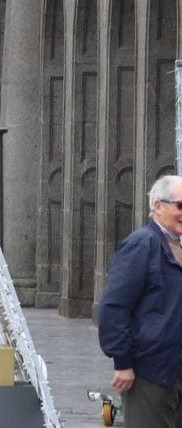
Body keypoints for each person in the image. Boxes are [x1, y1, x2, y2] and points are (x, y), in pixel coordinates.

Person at [99, 175, 182, 427]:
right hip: (150, 372)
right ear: (158, 206)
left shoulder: (176, 244)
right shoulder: (142, 244)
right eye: (180, 206)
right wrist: (122, 363)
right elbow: (114, 307)